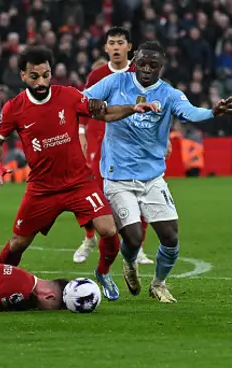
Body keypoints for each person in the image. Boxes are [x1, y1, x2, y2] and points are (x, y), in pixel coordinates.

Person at [82, 41, 232, 303]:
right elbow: (83, 98)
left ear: (161, 66)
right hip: (118, 177)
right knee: (133, 237)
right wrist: (91, 106)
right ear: (135, 62)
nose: (147, 69)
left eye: (154, 65)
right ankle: (129, 263)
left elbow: (190, 112)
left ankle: (159, 283)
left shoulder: (169, 94)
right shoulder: (116, 82)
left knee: (171, 237)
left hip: (152, 178)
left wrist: (212, 112)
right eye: (142, 63)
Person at [0, 46, 157, 274]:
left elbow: (104, 112)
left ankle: (103, 273)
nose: (41, 82)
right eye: (34, 76)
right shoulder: (14, 108)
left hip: (78, 182)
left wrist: (132, 108)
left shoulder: (68, 95)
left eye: (46, 75)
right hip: (42, 188)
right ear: (23, 75)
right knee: (19, 242)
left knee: (108, 230)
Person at [73, 27, 155, 271]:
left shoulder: (139, 72)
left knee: (140, 192)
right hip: (100, 138)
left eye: (121, 42)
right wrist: (80, 133)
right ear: (106, 48)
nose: (117, 47)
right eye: (112, 43)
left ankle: (137, 246)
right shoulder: (97, 74)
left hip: (134, 141)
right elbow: (83, 106)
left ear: (129, 47)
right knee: (94, 192)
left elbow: (149, 104)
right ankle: (89, 238)